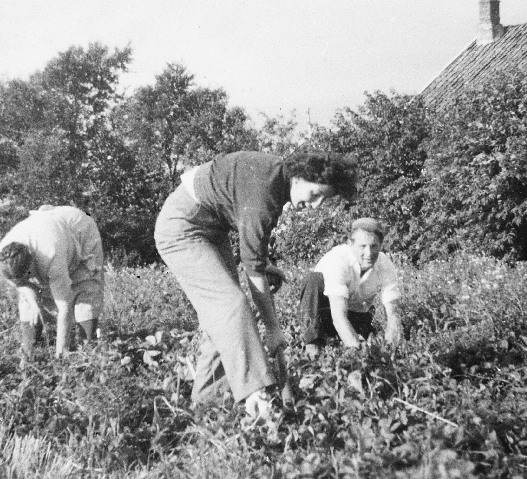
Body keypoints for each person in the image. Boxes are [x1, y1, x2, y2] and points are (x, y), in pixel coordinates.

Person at [154, 151, 357, 421]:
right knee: (230, 306)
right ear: (299, 178)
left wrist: (262, 265)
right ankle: (256, 395)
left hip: (212, 230)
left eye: (324, 199)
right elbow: (254, 270)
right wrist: (273, 329)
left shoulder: (277, 183)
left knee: (222, 321)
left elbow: (254, 252)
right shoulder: (266, 193)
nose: (317, 204)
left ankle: (207, 407)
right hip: (182, 227)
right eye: (315, 194)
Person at [0, 205, 104, 359]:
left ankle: (89, 349)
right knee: (27, 300)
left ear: (32, 259)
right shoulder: (0, 262)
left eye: (28, 274)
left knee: (85, 288)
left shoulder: (50, 255)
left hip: (78, 230)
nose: (29, 279)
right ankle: (28, 354)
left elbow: (64, 305)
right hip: (49, 228)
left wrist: (61, 352)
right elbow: (21, 285)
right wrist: (34, 304)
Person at [297, 217, 402, 356]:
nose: (369, 253)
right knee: (313, 279)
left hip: (356, 315)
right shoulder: (338, 259)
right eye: (362, 246)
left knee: (376, 346)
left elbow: (393, 314)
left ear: (380, 245)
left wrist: (390, 346)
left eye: (374, 246)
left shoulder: (385, 264)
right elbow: (338, 316)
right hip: (326, 315)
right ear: (350, 244)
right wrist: (357, 350)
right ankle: (313, 346)